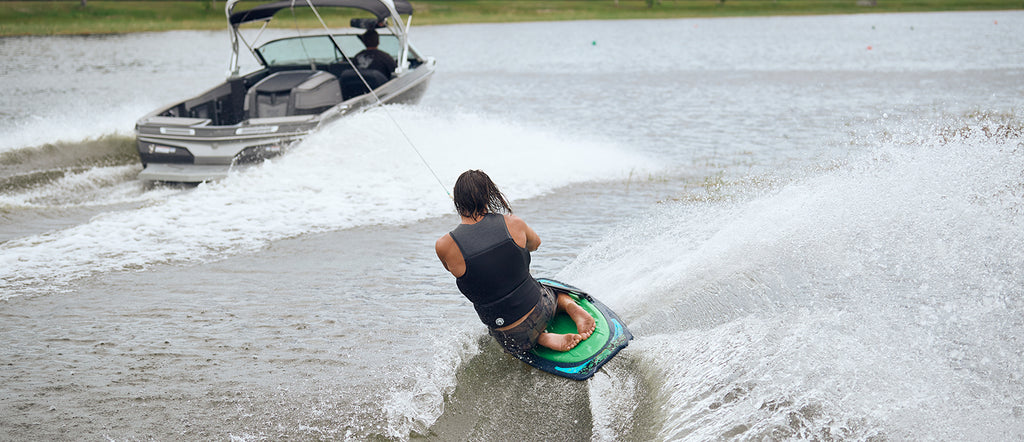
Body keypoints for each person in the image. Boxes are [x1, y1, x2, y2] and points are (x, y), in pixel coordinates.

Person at [435, 170, 596, 354]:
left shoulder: (444, 245)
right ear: (488, 195)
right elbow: (536, 244)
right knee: (554, 291)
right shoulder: (514, 223)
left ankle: (540, 338)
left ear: (457, 200)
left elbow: (455, 269)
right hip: (540, 309)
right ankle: (569, 305)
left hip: (508, 334)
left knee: (510, 334)